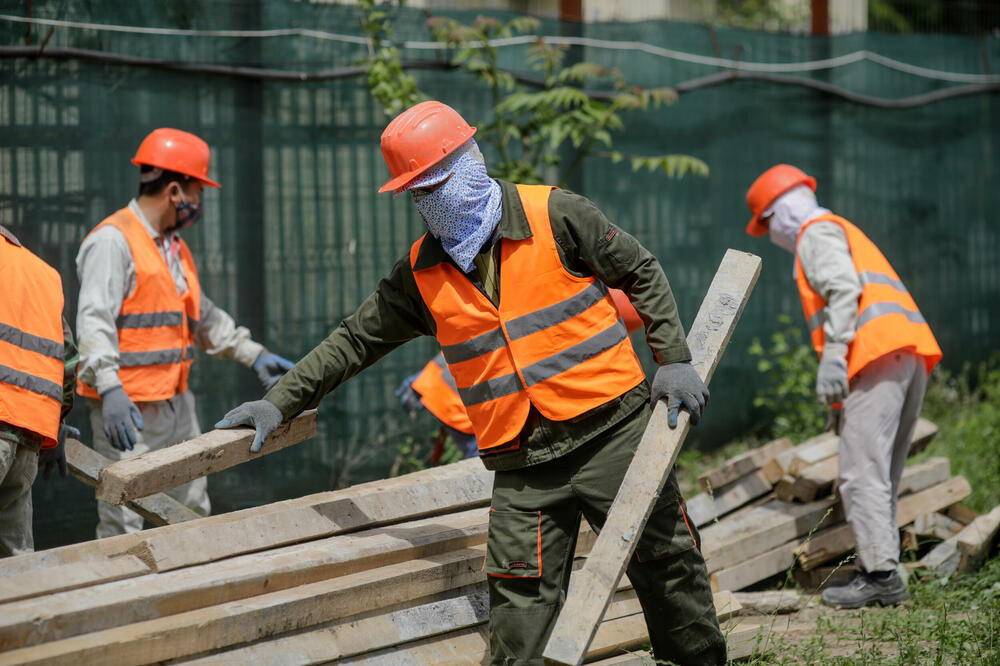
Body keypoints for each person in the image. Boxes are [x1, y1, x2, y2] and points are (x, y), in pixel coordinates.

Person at [217, 101, 725, 665]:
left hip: (614, 434)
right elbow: (354, 341)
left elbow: (640, 269)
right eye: (416, 193)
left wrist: (673, 359)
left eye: (435, 185)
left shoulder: (555, 213)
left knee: (666, 564)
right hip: (522, 462)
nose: (429, 203)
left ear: (470, 165)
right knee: (518, 605)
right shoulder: (419, 273)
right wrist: (278, 401)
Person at [75, 128, 294, 538]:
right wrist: (109, 388)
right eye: (199, 190)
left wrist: (252, 352)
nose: (200, 202)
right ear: (175, 190)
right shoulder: (112, 241)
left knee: (190, 507)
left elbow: (200, 315)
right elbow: (93, 321)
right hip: (128, 412)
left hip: (176, 404)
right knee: (124, 519)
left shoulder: (172, 247)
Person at [744, 164, 942, 609]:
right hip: (903, 353)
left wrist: (835, 356)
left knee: (860, 472)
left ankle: (881, 577)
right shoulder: (839, 227)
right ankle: (881, 566)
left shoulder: (815, 233)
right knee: (880, 470)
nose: (771, 235)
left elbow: (842, 289)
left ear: (780, 214)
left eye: (768, 224)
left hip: (874, 354)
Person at [396, 290, 645, 463]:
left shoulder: (584, 321)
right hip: (455, 394)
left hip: (444, 384)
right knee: (484, 456)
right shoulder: (565, 325)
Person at [0, 224, 79, 557]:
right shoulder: (41, 273)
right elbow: (68, 359)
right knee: (16, 564)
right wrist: (55, 423)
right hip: (27, 442)